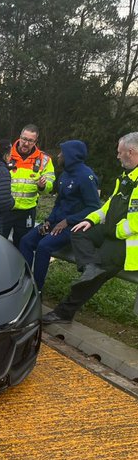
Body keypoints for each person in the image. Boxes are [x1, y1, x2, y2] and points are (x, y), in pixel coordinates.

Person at [42, 132, 138, 324]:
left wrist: (116, 231)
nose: (117, 156)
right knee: (78, 231)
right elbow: (109, 205)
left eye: (120, 153)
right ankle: (90, 266)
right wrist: (91, 220)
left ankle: (64, 313)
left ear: (131, 151)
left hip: (125, 243)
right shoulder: (127, 177)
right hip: (110, 231)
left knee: (93, 277)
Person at [18, 140, 100, 291]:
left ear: (71, 155)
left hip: (72, 226)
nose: (59, 155)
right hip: (55, 222)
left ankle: (36, 290)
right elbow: (59, 202)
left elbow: (94, 207)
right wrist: (49, 220)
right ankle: (24, 282)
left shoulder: (86, 177)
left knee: (44, 246)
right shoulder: (64, 175)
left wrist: (68, 220)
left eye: (62, 153)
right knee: (26, 241)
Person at [3, 123, 55, 247]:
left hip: (27, 211)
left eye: (30, 141)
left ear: (36, 141)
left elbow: (50, 183)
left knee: (22, 246)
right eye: (24, 139)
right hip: (4, 209)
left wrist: (43, 186)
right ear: (20, 136)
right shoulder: (6, 154)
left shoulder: (44, 159)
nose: (26, 143)